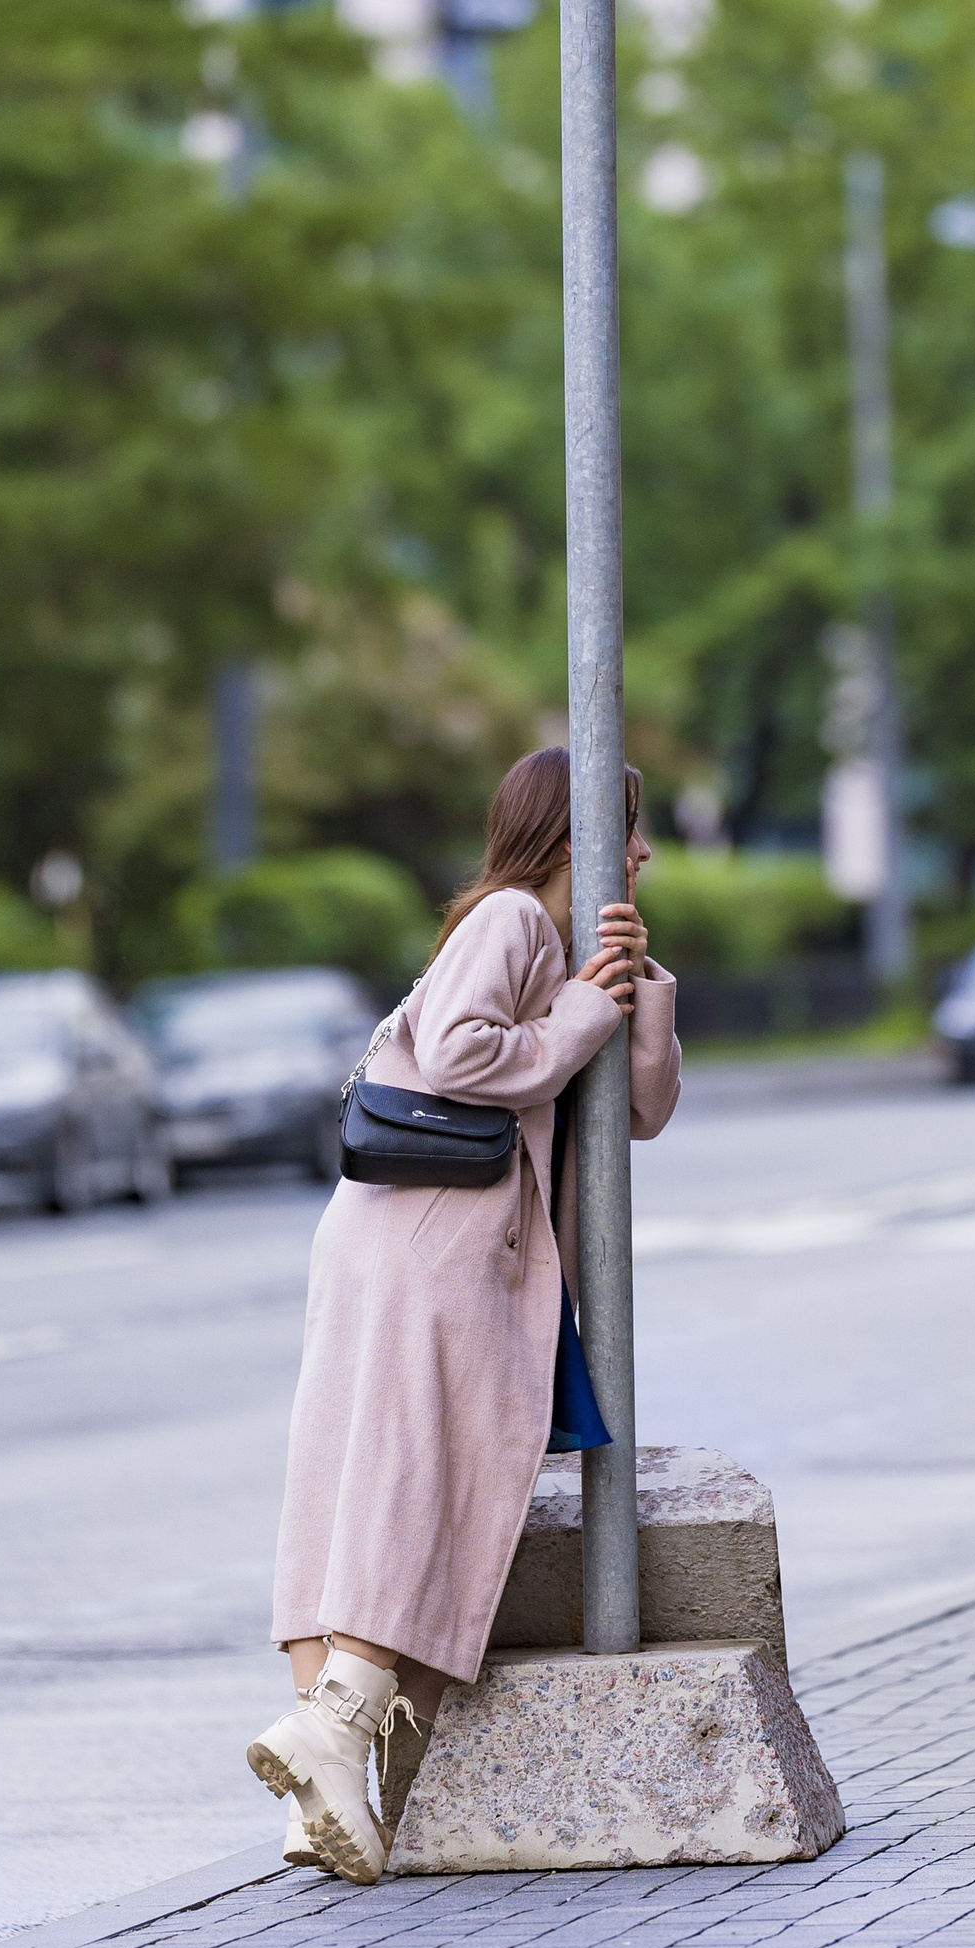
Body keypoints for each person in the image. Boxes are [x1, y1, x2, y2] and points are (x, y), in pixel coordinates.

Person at [248, 747, 679, 1884]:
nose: (641, 852)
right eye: (625, 829)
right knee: (422, 1476)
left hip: (401, 1235)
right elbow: (461, 1053)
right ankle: (335, 1730)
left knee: (360, 1474)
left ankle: (327, 1777)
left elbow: (639, 1114)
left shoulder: (557, 946)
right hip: (438, 1243)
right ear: (572, 833)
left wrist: (639, 1000)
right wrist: (584, 1011)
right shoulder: (513, 924)